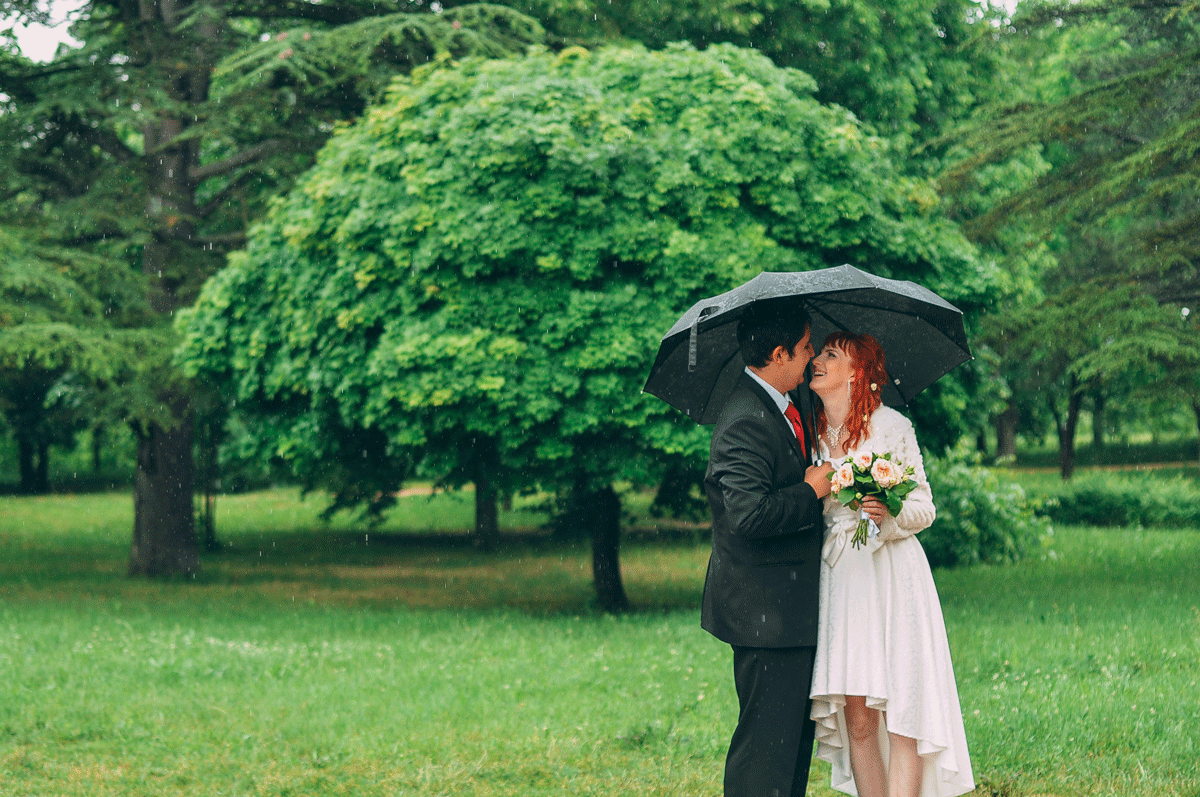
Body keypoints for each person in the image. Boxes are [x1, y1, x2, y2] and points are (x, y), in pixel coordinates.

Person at [806, 331, 975, 797]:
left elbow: (925, 508)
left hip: (893, 577)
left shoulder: (892, 426)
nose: (817, 361)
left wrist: (888, 510)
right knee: (858, 714)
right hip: (843, 580)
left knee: (903, 706)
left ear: (856, 372)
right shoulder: (809, 432)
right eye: (818, 353)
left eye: (830, 355)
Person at [701, 298, 835, 797]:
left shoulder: (786, 403)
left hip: (789, 610)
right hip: (765, 615)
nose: (812, 359)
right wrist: (811, 492)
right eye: (804, 350)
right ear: (778, 355)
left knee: (791, 750)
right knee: (765, 755)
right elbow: (748, 515)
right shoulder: (742, 419)